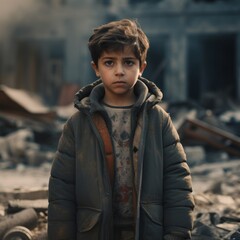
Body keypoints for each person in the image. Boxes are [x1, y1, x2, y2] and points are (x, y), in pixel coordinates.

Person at [48, 18, 195, 240]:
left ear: (141, 67)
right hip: (93, 232)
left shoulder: (158, 120)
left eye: (128, 62)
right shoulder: (78, 124)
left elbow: (177, 182)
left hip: (148, 230)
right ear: (96, 68)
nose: (119, 71)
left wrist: (176, 234)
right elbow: (62, 190)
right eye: (109, 63)